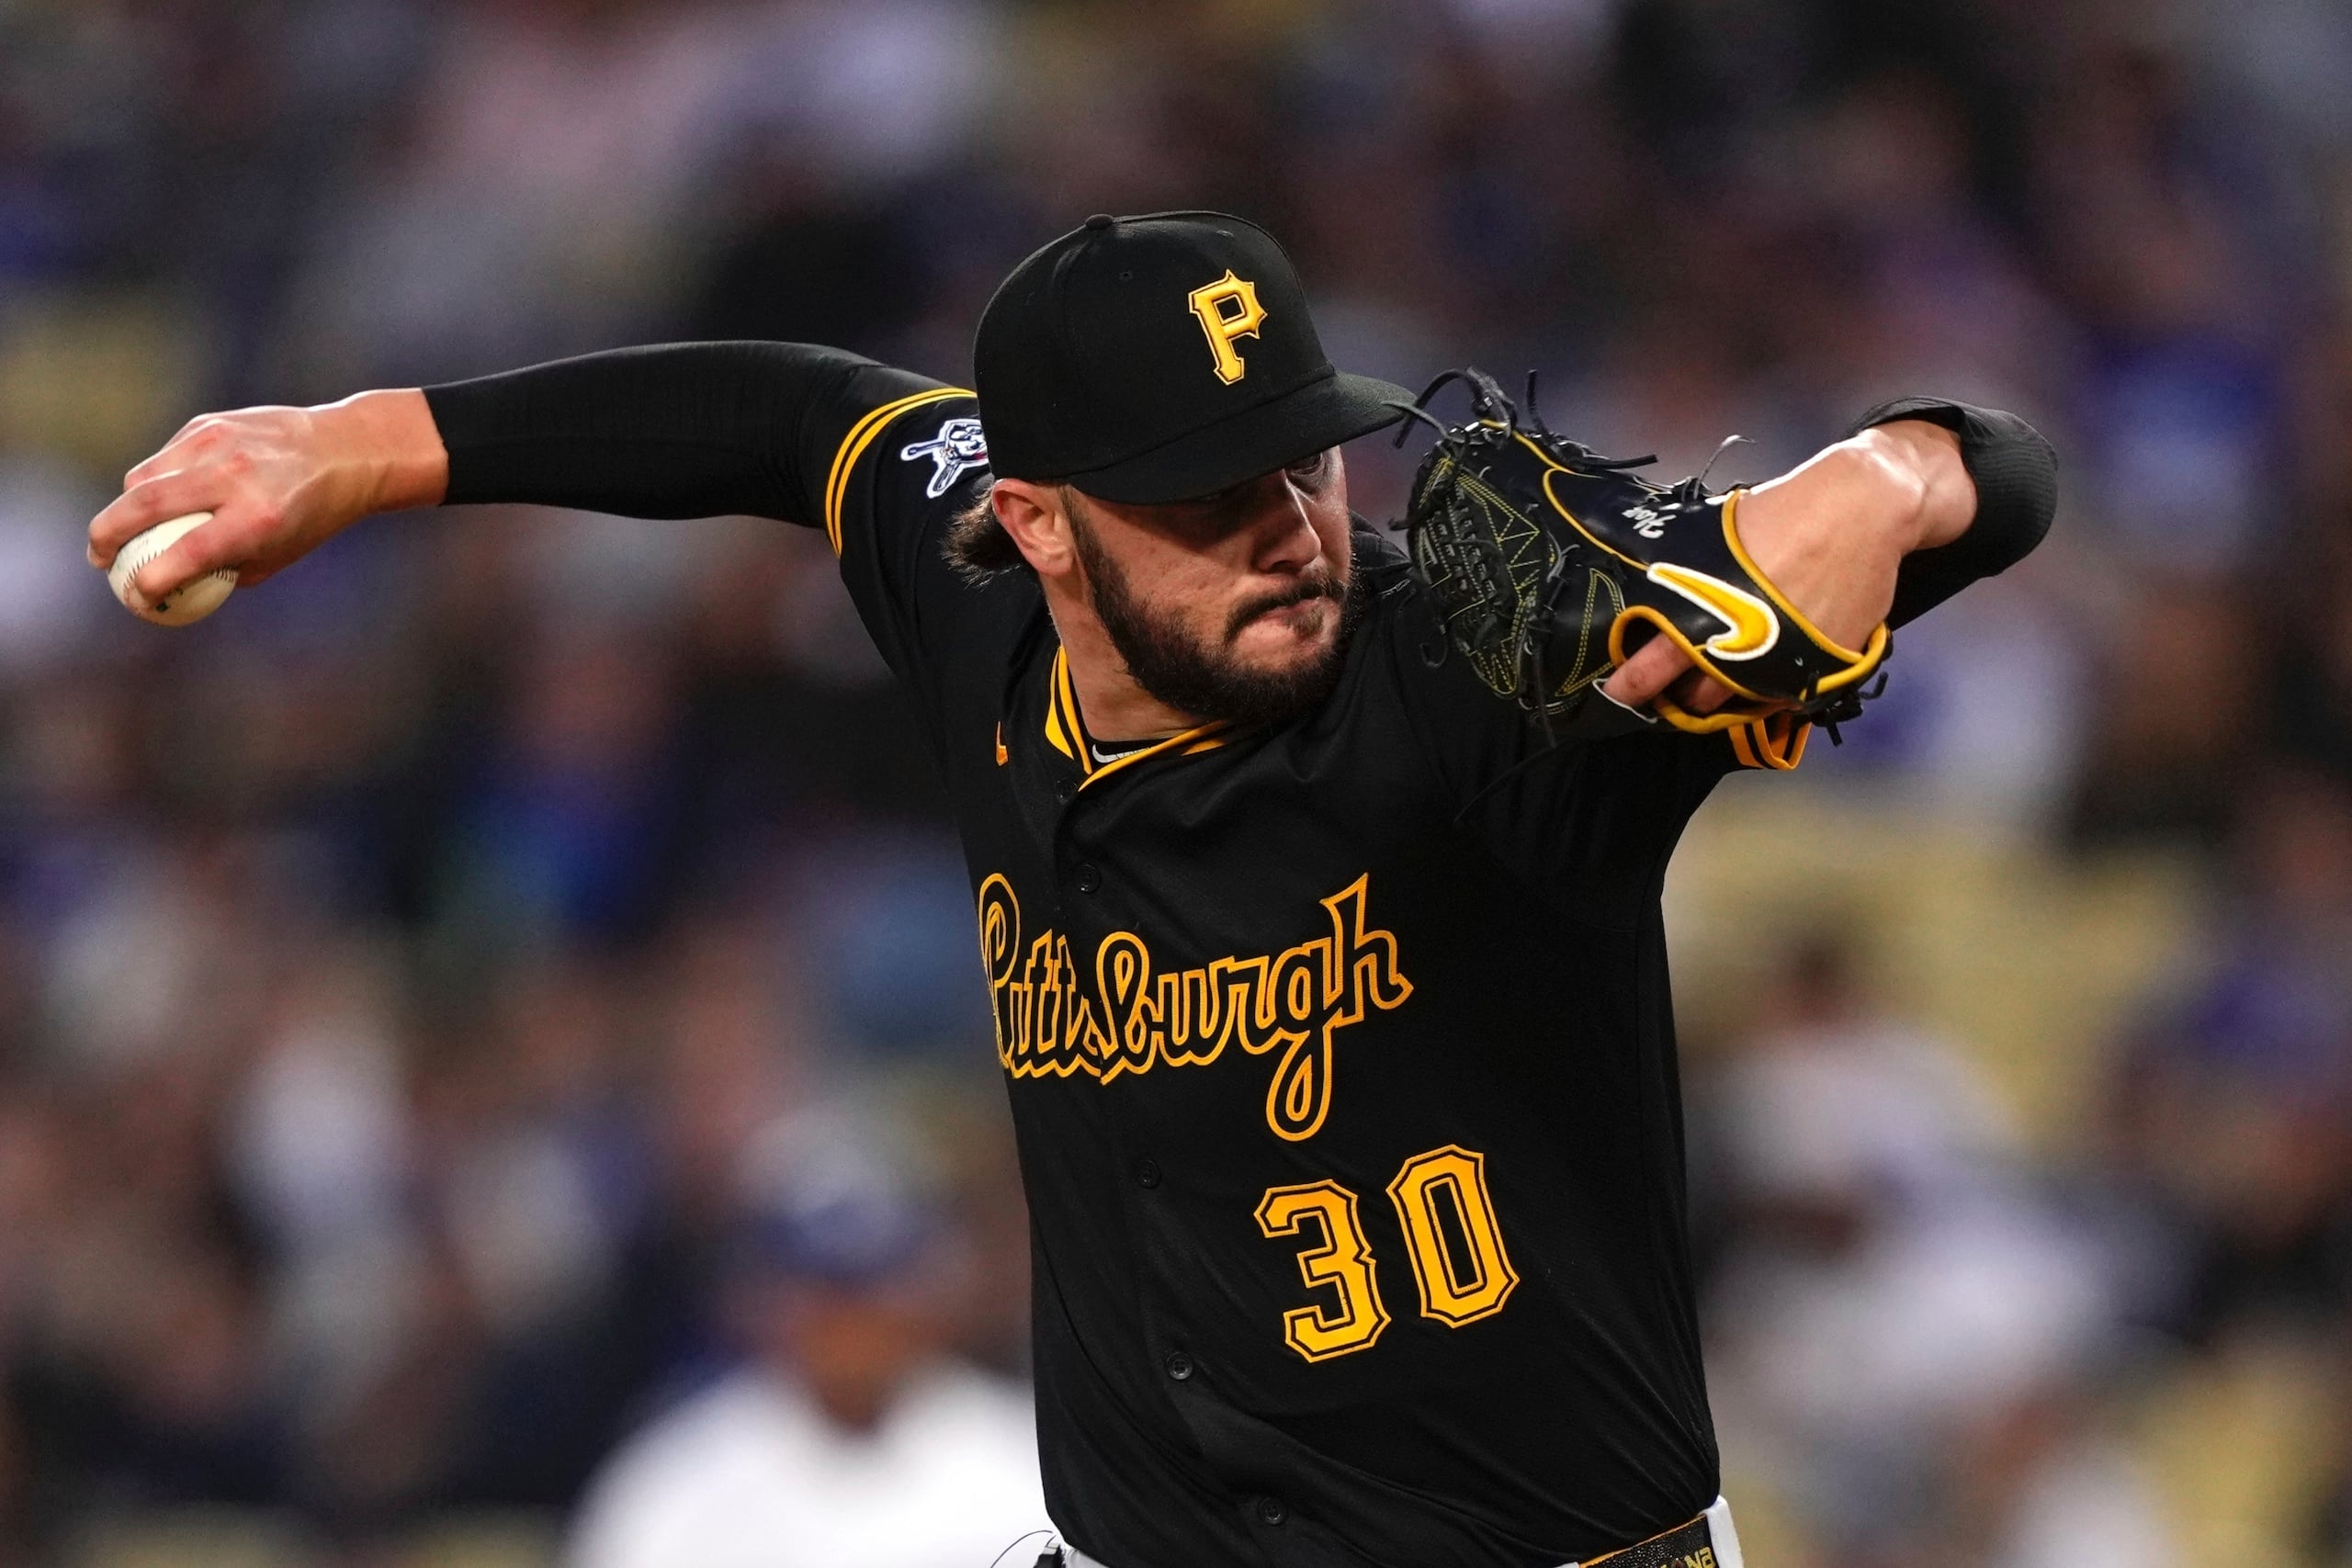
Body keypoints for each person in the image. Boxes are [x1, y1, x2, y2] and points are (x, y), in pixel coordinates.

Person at [90, 210, 2055, 1568]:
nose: (1289, 532)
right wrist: (361, 446)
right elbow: (788, 413)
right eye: (1206, 496)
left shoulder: (1476, 685)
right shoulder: (978, 614)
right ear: (1028, 520)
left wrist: (1895, 477)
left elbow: (2000, 481)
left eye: (1301, 461)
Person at [569, 1106, 1050, 1568]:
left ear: (935, 1285)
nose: (850, 1323)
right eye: (824, 1292)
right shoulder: (672, 1483)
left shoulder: (1032, 1464)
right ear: (757, 1297)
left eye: (873, 1287)